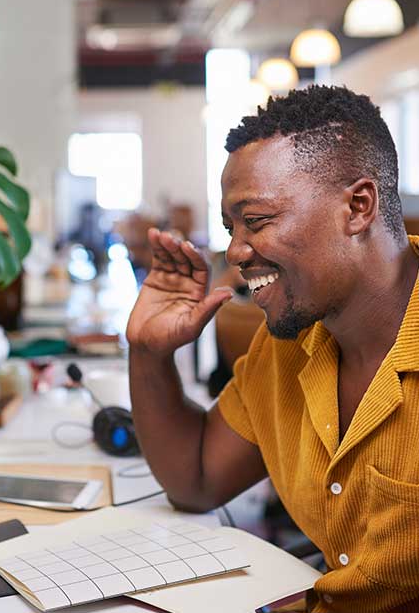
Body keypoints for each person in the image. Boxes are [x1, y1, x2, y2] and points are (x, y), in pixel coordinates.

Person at [127, 85, 419, 612]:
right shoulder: (292, 338)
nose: (236, 251)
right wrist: (149, 354)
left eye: (256, 221)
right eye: (230, 228)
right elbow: (196, 478)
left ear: (357, 207)